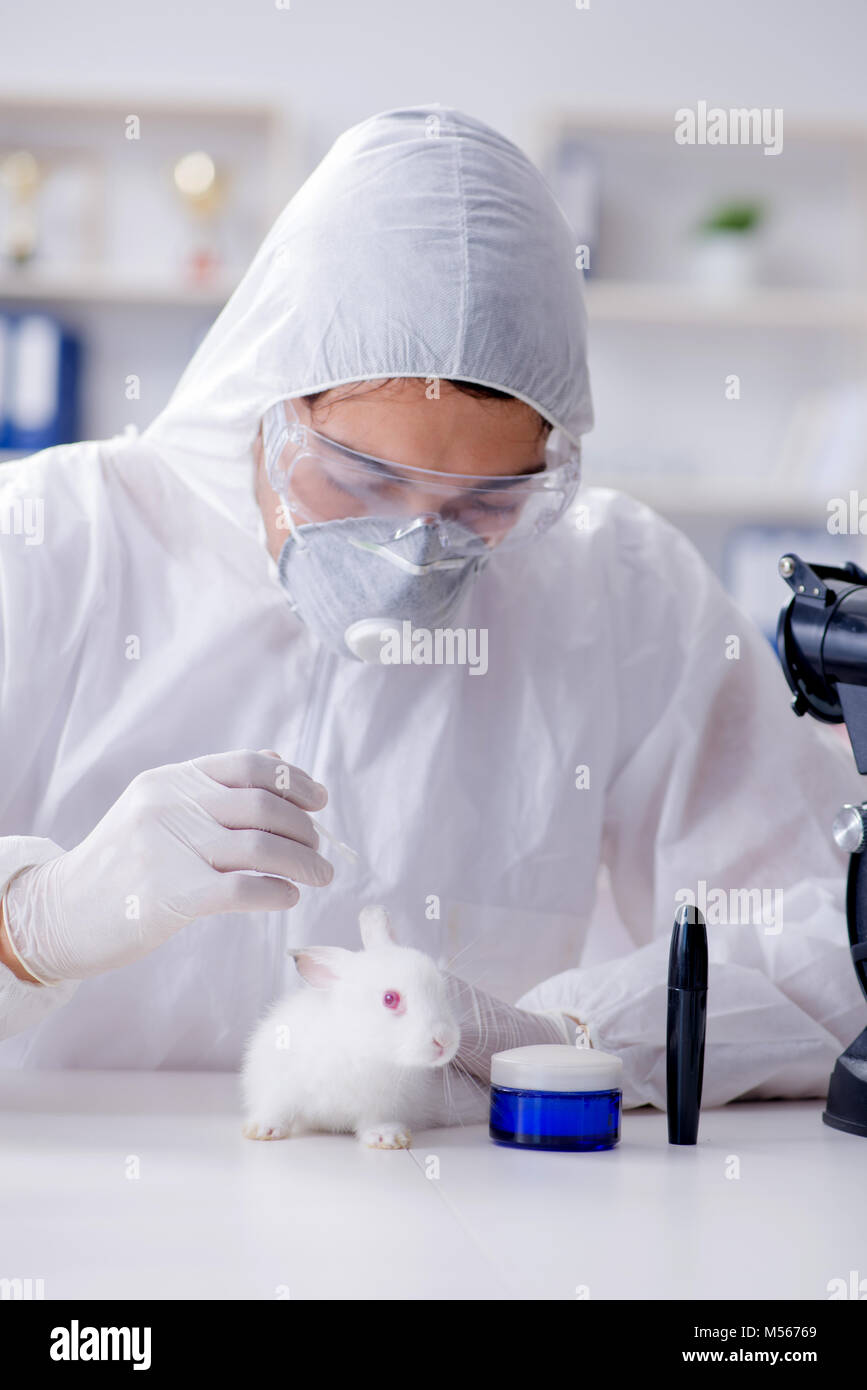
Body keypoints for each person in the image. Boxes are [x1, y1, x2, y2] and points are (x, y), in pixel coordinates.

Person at [0, 105, 863, 1116]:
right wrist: (31, 931)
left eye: (484, 503)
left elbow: (828, 936)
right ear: (274, 405)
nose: (415, 547)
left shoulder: (621, 588)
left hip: (454, 1215)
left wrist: (582, 1037)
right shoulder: (51, 541)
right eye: (361, 481)